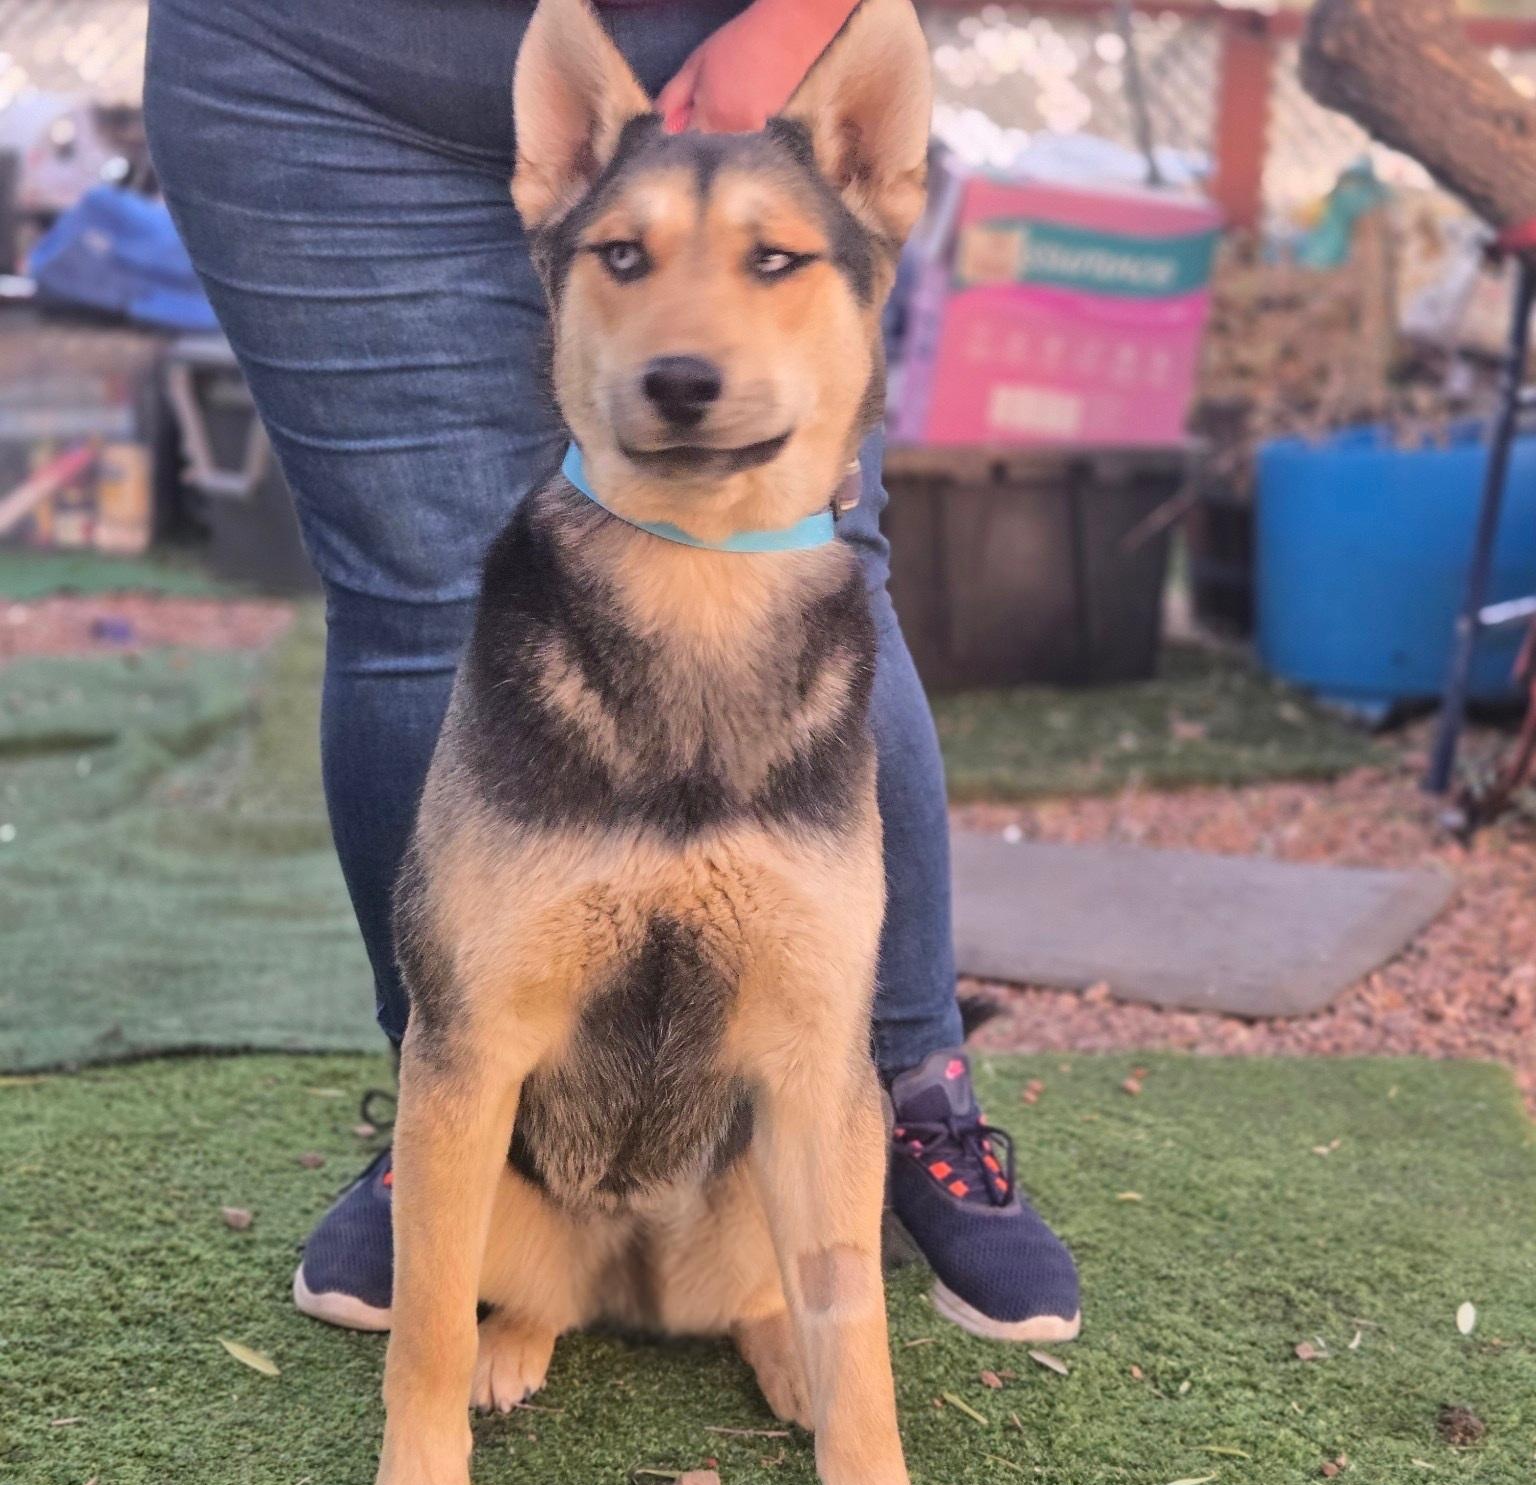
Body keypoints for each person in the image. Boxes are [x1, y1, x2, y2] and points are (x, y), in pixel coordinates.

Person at [143, 0, 1080, 1344]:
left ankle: (908, 1078)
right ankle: (465, 1103)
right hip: (302, 69)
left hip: (707, 44)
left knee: (799, 550)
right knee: (414, 592)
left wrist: (798, 24)